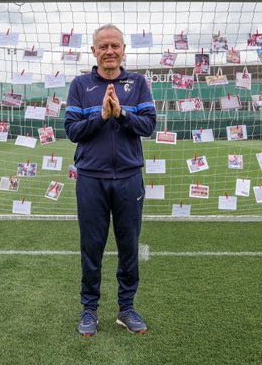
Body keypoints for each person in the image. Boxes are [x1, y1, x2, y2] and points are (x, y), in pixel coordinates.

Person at [64, 25, 156, 337]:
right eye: (103, 46)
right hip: (91, 178)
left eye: (115, 45)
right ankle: (89, 309)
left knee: (128, 246)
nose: (109, 51)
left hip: (129, 178)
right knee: (92, 247)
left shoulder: (138, 83)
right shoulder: (80, 85)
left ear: (123, 49)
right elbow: (73, 130)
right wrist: (101, 117)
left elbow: (148, 125)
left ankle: (126, 308)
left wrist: (121, 115)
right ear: (94, 51)